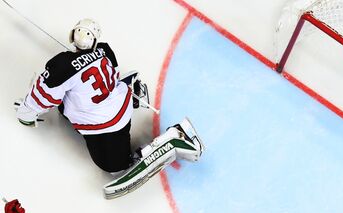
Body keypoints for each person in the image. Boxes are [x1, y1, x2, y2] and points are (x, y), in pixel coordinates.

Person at [15, 18, 203, 192]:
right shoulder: (105, 49)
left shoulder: (62, 66)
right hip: (120, 106)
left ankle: (173, 136)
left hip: (106, 126)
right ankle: (131, 88)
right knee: (65, 107)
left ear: (72, 36)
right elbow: (112, 75)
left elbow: (42, 94)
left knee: (114, 168)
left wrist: (26, 113)